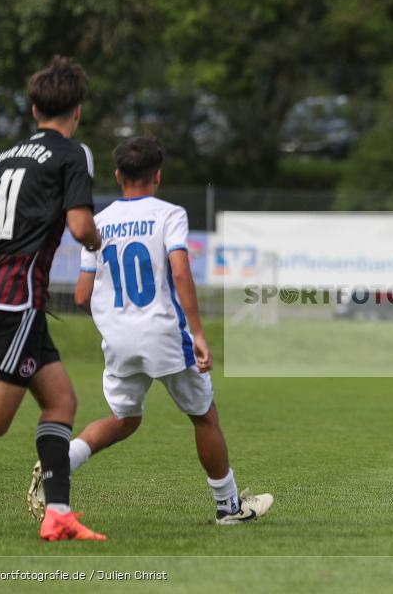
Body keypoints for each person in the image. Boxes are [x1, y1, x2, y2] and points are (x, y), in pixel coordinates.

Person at [28, 135, 273, 524]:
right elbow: (179, 271)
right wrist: (199, 333)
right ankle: (229, 508)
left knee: (124, 419)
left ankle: (58, 465)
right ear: (157, 176)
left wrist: (115, 323)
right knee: (204, 416)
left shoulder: (100, 222)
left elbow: (80, 296)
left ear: (117, 175)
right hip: (164, 335)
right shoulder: (169, 214)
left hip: (120, 339)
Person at [0, 57, 106, 540]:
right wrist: (97, 243)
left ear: (34, 108)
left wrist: (0, 249)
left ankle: (58, 514)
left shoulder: (5, 156)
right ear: (76, 110)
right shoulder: (71, 154)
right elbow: (80, 227)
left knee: (60, 401)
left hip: (1, 293)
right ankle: (58, 513)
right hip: (17, 300)